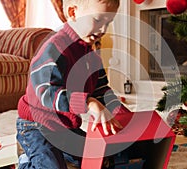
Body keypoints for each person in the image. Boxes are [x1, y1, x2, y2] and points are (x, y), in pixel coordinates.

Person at [16, 0, 131, 168]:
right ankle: (26, 161)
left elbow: (101, 90)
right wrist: (89, 102)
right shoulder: (54, 48)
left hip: (64, 125)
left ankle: (62, 156)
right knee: (51, 166)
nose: (103, 30)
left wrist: (120, 112)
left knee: (98, 158)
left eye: (108, 23)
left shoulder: (91, 56)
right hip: (36, 126)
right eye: (98, 20)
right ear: (73, 12)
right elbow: (46, 92)